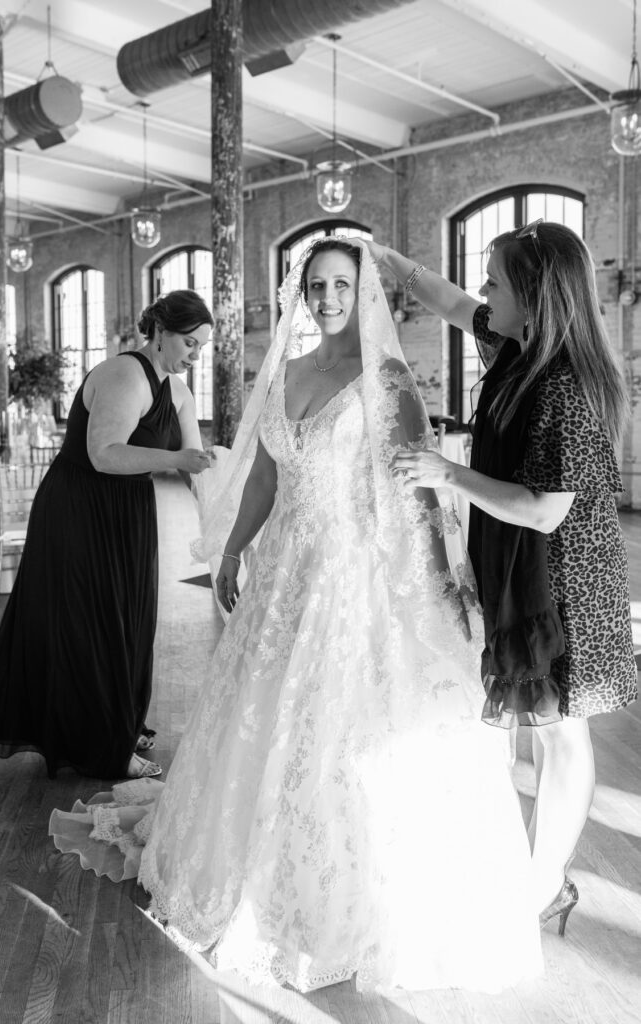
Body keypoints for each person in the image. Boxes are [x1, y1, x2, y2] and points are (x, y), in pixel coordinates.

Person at [49, 238, 542, 993]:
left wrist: (439, 583)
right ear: (299, 293)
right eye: (314, 285)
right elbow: (265, 478)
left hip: (354, 577)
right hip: (284, 571)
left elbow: (418, 490)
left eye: (340, 284)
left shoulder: (387, 381)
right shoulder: (283, 374)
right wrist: (231, 551)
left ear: (363, 290)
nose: (326, 298)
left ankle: (333, 898)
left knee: (334, 729)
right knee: (259, 715)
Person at [369, 222, 637, 934]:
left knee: (561, 732)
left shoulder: (565, 386)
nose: (484, 294)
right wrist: (390, 263)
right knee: (539, 726)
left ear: (534, 295)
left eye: (496, 282)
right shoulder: (518, 348)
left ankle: (545, 881)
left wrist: (446, 471)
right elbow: (455, 304)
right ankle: (529, 868)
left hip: (565, 582)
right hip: (521, 568)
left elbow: (546, 512)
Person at [0, 290, 214, 781]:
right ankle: (104, 745)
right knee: (91, 625)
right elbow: (104, 454)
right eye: (189, 342)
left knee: (130, 620)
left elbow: (192, 462)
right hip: (81, 508)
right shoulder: (123, 374)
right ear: (159, 332)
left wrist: (221, 511)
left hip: (130, 511)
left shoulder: (178, 391)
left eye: (202, 346)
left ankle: (119, 721)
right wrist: (177, 460)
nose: (195, 355)